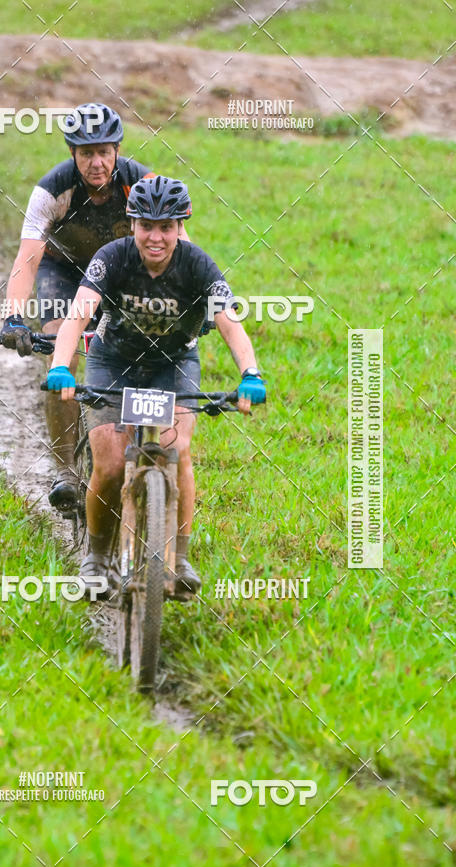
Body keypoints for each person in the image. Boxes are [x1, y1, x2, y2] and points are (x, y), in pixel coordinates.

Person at [44, 175, 266, 598]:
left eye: (167, 227)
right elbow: (78, 315)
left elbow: (229, 322)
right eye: (147, 226)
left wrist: (250, 374)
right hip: (113, 362)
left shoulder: (197, 264)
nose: (156, 237)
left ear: (181, 226)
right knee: (110, 464)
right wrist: (60, 367)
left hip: (173, 364)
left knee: (176, 450)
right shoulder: (112, 258)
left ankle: (178, 559)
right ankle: (96, 558)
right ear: (132, 224)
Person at [0, 103, 188, 509]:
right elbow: (28, 258)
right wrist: (13, 316)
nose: (96, 162)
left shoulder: (142, 183)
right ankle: (66, 469)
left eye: (104, 151)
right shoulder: (52, 190)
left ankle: (132, 443)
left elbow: (181, 249)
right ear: (72, 153)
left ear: (117, 150)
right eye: (86, 153)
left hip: (121, 274)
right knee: (59, 351)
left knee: (141, 344)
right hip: (64, 274)